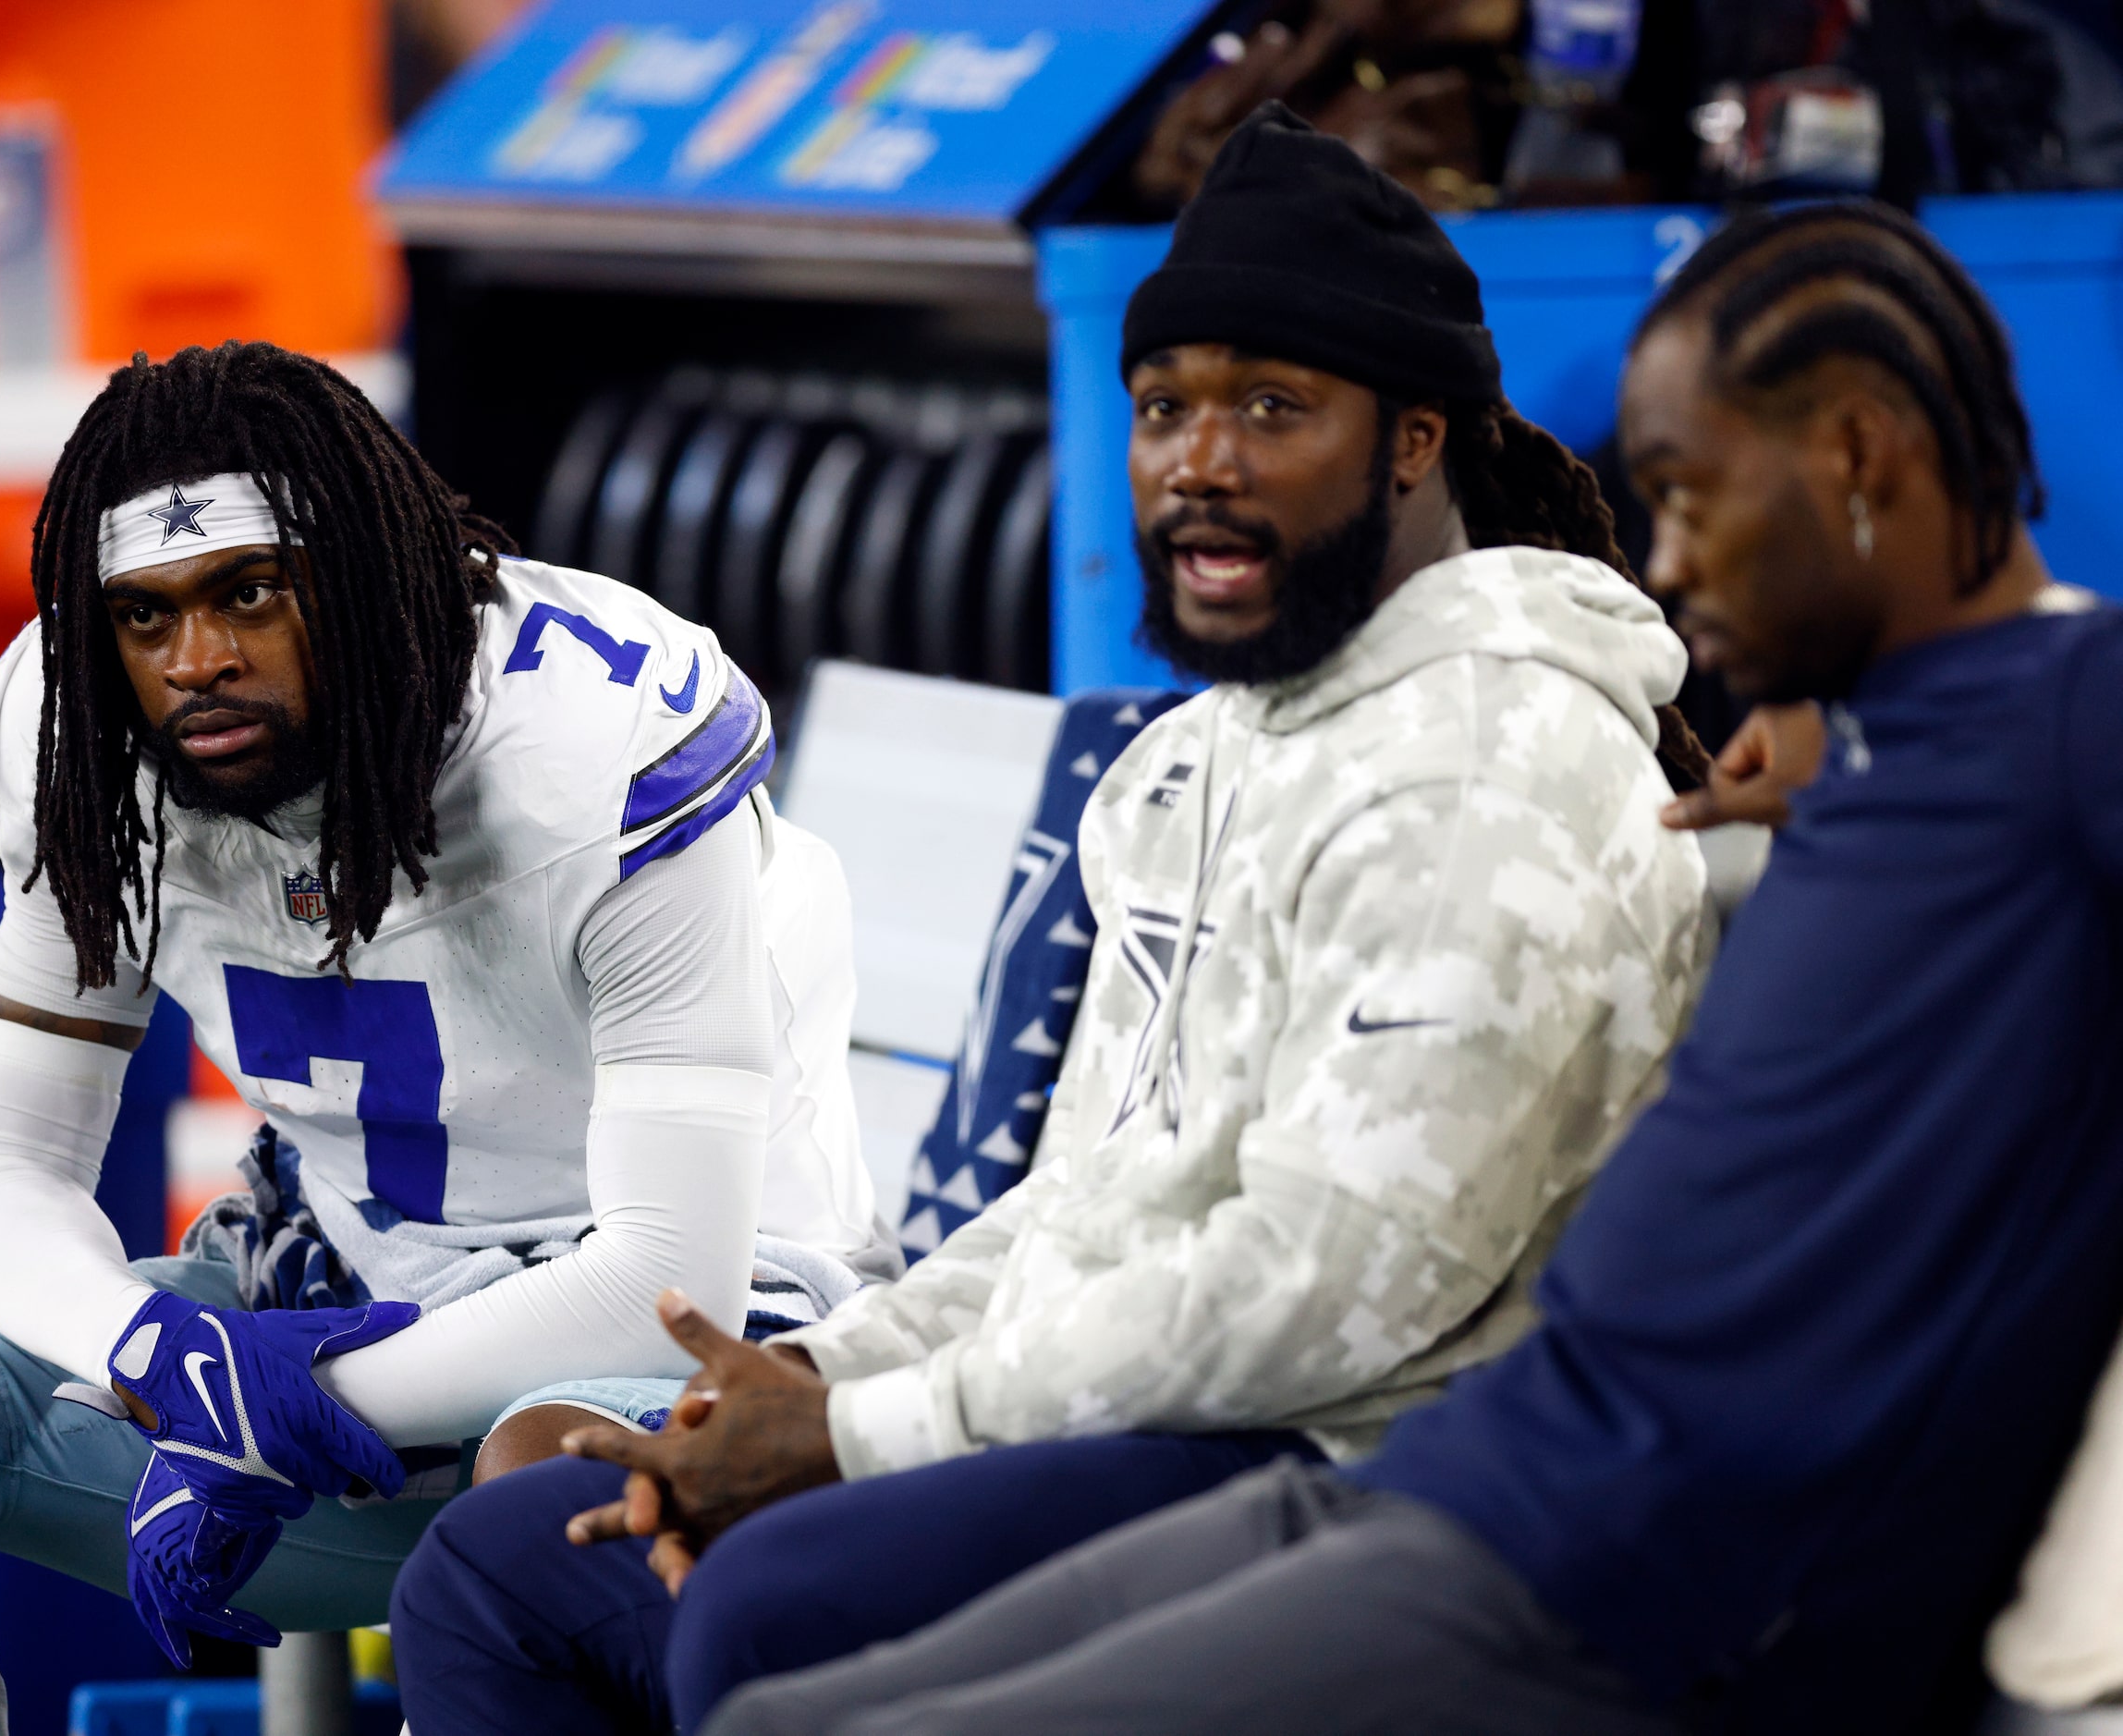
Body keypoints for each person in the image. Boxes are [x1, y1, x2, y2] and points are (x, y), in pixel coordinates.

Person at [702, 198, 2123, 1736]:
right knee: (769, 1702)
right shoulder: (1893, 748)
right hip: (1478, 1480)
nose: (1676, 565)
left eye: (1699, 499)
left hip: (1638, 1584)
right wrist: (1848, 739)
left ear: (1856, 456)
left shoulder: (2066, 714)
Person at [388, 105, 1716, 1736]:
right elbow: (1090, 1200)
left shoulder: (1491, 770)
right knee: (502, 1568)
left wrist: (870, 1434)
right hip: (1131, 1402)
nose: (1198, 464)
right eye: (1165, 409)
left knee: (763, 1610)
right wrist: (815, 1378)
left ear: (1414, 442)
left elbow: (1337, 1280)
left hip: (1348, 1453)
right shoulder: (1200, 757)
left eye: (1272, 410)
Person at [0, 340, 894, 1735]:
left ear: (359, 578)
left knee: (538, 1485)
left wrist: (271, 1401)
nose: (199, 660)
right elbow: (3, 1160)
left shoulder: (596, 741)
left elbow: (666, 1268)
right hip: (330, 1287)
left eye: (249, 594)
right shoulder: (78, 737)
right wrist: (165, 1357)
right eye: (147, 615)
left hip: (676, 1349)